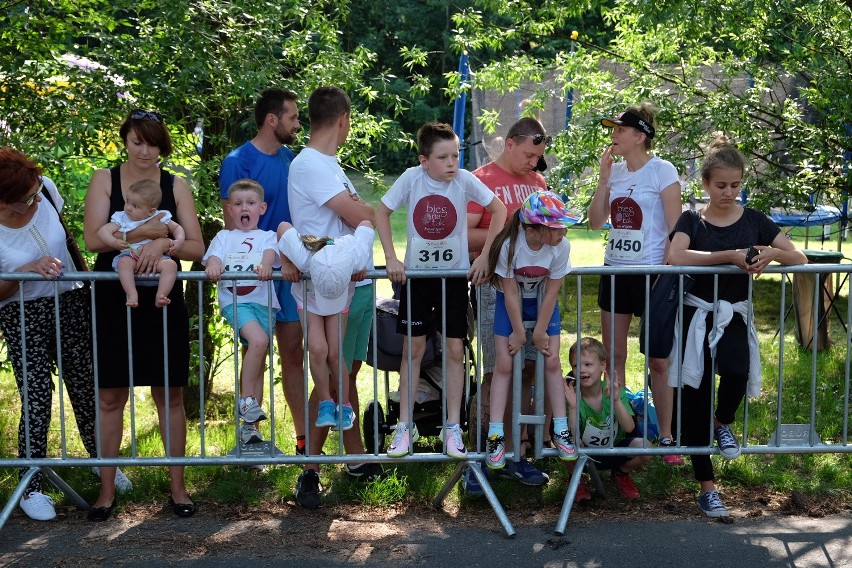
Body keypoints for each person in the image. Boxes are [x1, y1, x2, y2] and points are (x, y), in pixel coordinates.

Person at [667, 134, 806, 517]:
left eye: (735, 185)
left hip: (733, 315)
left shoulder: (756, 219)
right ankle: (708, 488)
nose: (729, 192)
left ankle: (722, 421)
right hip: (696, 314)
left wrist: (775, 253)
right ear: (706, 185)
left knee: (736, 371)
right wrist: (726, 255)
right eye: (721, 185)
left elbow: (800, 256)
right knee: (693, 400)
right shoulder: (692, 219)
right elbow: (674, 254)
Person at [83, 109, 204, 521]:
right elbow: (92, 239)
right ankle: (105, 492)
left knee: (169, 394)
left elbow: (196, 248)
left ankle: (178, 489)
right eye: (137, 141)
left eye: (152, 143)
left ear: (162, 145)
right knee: (110, 395)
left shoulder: (177, 186)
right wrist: (143, 237)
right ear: (125, 141)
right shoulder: (104, 179)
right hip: (113, 297)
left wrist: (163, 247)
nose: (144, 151)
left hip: (162, 301)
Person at [377, 121, 507, 460]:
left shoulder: (464, 181)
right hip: (416, 280)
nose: (452, 163)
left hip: (452, 280)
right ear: (424, 161)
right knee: (413, 352)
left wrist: (485, 258)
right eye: (443, 157)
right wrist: (391, 257)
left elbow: (499, 211)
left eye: (456, 155)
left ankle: (453, 428)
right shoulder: (411, 178)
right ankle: (404, 427)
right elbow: (382, 211)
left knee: (453, 352)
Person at [0, 149, 102, 521]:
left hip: (70, 301)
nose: (36, 198)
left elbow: (69, 242)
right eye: (26, 197)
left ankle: (102, 463)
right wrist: (25, 270)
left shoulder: (47, 191)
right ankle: (31, 484)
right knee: (38, 394)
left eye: (37, 188)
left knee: (85, 385)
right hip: (21, 312)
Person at [286, 86, 376, 508]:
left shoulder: (329, 164)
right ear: (343, 119)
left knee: (344, 368)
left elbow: (355, 217)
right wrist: (363, 211)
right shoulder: (311, 163)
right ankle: (310, 468)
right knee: (328, 362)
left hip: (348, 282)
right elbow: (362, 216)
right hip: (324, 283)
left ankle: (353, 459)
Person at [587, 102, 684, 465]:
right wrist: (602, 179)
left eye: (619, 129)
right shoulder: (615, 174)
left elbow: (677, 230)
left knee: (658, 360)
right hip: (616, 271)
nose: (613, 135)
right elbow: (596, 223)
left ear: (639, 136)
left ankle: (668, 437)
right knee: (614, 355)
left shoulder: (662, 170)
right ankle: (623, 428)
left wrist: (666, 270)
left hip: (655, 274)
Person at [219, 88, 307, 456]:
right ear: (273, 120)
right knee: (256, 349)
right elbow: (231, 223)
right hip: (253, 277)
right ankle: (250, 440)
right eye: (293, 117)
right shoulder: (237, 160)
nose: (298, 124)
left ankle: (305, 445)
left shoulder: (293, 160)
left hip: (288, 274)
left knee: (293, 353)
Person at [465, 117, 552, 491]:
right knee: (496, 369)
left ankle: (516, 454)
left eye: (538, 157)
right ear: (510, 143)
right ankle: (483, 456)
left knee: (528, 371)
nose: (533, 163)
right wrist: (511, 232)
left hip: (534, 290)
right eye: (529, 155)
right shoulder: (480, 179)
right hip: (494, 290)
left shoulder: (538, 183)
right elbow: (465, 232)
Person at [484, 190, 578, 470]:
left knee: (552, 361)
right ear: (534, 230)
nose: (562, 232)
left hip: (543, 306)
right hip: (510, 305)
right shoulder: (509, 247)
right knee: (503, 365)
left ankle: (560, 429)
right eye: (556, 227)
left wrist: (539, 331)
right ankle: (496, 434)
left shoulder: (562, 247)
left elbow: (551, 293)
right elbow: (510, 294)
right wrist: (518, 332)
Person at [277, 219, 375, 432]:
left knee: (335, 352)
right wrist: (286, 263)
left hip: (340, 300)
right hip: (310, 300)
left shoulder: (355, 256)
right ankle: (326, 403)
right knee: (318, 349)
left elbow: (367, 223)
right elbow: (283, 227)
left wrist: (363, 266)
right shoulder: (303, 259)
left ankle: (345, 405)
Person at [203, 179, 281, 445]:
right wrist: (213, 266)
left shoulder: (268, 236)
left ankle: (251, 429)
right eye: (237, 204)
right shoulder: (224, 237)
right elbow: (213, 258)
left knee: (258, 362)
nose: (243, 208)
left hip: (264, 303)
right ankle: (246, 402)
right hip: (236, 303)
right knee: (259, 341)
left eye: (249, 203)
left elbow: (270, 254)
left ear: (262, 207)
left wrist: (266, 265)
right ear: (229, 209)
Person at [565, 337, 652, 501]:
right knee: (563, 440)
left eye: (588, 364)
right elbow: (572, 435)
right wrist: (574, 408)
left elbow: (628, 428)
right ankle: (575, 479)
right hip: (584, 454)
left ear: (602, 366)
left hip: (614, 449)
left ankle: (621, 473)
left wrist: (616, 401)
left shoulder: (614, 391)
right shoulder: (572, 395)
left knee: (646, 447)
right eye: (576, 366)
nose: (581, 370)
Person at [96, 178, 185, 308]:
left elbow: (177, 228)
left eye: (135, 206)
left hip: (157, 259)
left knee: (171, 265)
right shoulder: (121, 218)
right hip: (130, 255)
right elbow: (103, 231)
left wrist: (179, 241)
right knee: (123, 263)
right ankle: (132, 294)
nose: (129, 208)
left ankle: (161, 295)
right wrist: (114, 242)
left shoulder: (160, 216)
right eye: (127, 201)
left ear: (151, 211)